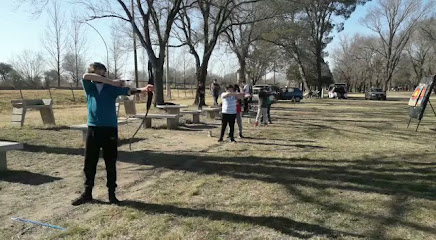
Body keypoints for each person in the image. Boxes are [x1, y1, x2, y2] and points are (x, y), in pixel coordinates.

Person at [72, 62, 153, 206]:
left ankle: (112, 195)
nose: (102, 74)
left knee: (110, 162)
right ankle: (87, 193)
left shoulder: (111, 88)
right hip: (93, 128)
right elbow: (85, 76)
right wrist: (113, 81)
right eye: (98, 72)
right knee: (90, 162)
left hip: (109, 129)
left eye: (103, 71)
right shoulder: (89, 86)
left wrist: (144, 89)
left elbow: (128, 91)